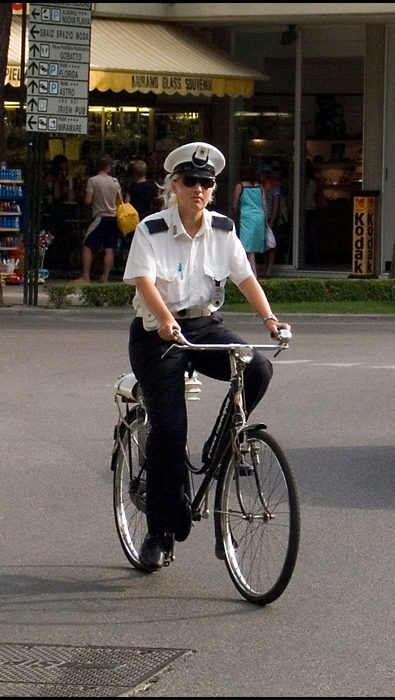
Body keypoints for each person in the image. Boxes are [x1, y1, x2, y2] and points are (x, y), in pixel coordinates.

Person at [123, 141, 291, 572]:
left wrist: (271, 320)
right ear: (173, 186)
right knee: (169, 430)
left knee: (258, 367)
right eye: (189, 181)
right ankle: (158, 533)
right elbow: (144, 282)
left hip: (203, 325)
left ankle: (221, 446)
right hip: (158, 334)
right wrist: (165, 320)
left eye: (206, 182)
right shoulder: (152, 230)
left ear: (213, 190)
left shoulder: (222, 229)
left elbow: (246, 278)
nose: (198, 188)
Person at [75, 154, 122, 283]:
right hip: (113, 217)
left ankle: (86, 276)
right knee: (109, 248)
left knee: (87, 245)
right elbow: (119, 200)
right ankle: (105, 276)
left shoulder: (93, 180)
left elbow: (88, 200)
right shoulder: (115, 181)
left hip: (100, 217)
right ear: (108, 167)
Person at [231, 164, 268, 278]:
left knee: (247, 247)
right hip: (260, 216)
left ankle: (252, 274)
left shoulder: (240, 186)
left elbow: (234, 205)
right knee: (253, 246)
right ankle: (251, 272)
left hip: (247, 217)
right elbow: (264, 204)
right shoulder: (259, 187)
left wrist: (234, 215)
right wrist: (266, 220)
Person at [258, 165, 280, 277]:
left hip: (270, 218)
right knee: (263, 244)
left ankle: (269, 270)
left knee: (271, 245)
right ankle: (264, 268)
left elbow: (276, 204)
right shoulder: (259, 187)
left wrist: (272, 219)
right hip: (261, 218)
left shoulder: (274, 187)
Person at [304, 158, 327, 266]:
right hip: (314, 209)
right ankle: (316, 259)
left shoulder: (304, 181)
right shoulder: (315, 182)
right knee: (314, 236)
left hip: (305, 210)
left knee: (305, 236)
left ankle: (306, 258)